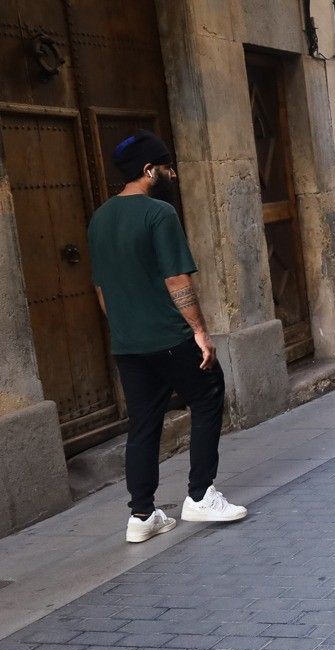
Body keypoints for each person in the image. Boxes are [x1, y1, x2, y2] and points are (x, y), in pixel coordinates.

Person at [88, 130, 247, 544]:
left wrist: (124, 327)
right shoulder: (159, 213)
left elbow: (102, 289)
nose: (173, 174)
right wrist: (199, 332)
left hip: (128, 343)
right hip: (169, 337)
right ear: (148, 170)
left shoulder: (100, 218)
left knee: (143, 423)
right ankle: (200, 495)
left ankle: (142, 515)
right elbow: (176, 278)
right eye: (167, 167)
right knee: (209, 394)